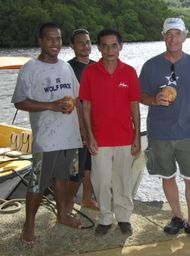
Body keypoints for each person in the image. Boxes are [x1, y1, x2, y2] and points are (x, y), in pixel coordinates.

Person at [12, 22, 84, 245]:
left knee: (62, 176)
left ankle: (63, 215)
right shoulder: (30, 68)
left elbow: (77, 99)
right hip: (46, 137)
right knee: (37, 183)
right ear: (40, 41)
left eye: (58, 39)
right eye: (50, 39)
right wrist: (51, 105)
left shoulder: (65, 66)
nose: (55, 44)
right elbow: (19, 101)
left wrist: (83, 131)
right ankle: (28, 226)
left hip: (69, 135)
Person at [139, 17, 190, 242]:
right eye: (168, 33)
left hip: (186, 133)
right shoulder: (151, 65)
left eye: (177, 33)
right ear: (163, 36)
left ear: (185, 36)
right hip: (159, 133)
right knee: (167, 177)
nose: (173, 38)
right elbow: (139, 95)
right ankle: (177, 216)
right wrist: (153, 99)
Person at [79, 28, 141, 236]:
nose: (109, 50)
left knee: (123, 179)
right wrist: (89, 136)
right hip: (100, 139)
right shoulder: (90, 72)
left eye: (114, 45)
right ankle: (105, 218)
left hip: (125, 137)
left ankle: (124, 217)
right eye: (105, 45)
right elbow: (85, 106)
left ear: (120, 47)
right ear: (99, 48)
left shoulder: (130, 72)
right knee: (102, 180)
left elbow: (135, 107)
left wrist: (136, 136)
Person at [66, 28, 97, 211]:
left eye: (87, 42)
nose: (85, 46)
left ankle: (86, 199)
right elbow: (70, 101)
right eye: (80, 43)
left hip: (96, 124)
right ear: (72, 45)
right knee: (75, 169)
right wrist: (81, 128)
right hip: (76, 126)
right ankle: (67, 205)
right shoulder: (67, 68)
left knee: (90, 165)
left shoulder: (97, 66)